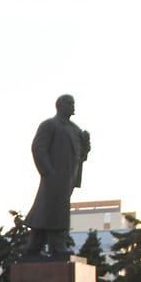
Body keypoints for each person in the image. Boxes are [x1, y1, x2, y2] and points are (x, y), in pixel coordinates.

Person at [24, 95, 90, 257]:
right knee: (53, 209)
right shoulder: (50, 125)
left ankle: (34, 246)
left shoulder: (75, 129)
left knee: (50, 210)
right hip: (54, 175)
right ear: (60, 106)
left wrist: (86, 145)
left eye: (73, 103)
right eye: (70, 104)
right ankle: (56, 245)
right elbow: (38, 148)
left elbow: (81, 155)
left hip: (68, 177)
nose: (73, 107)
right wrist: (48, 171)